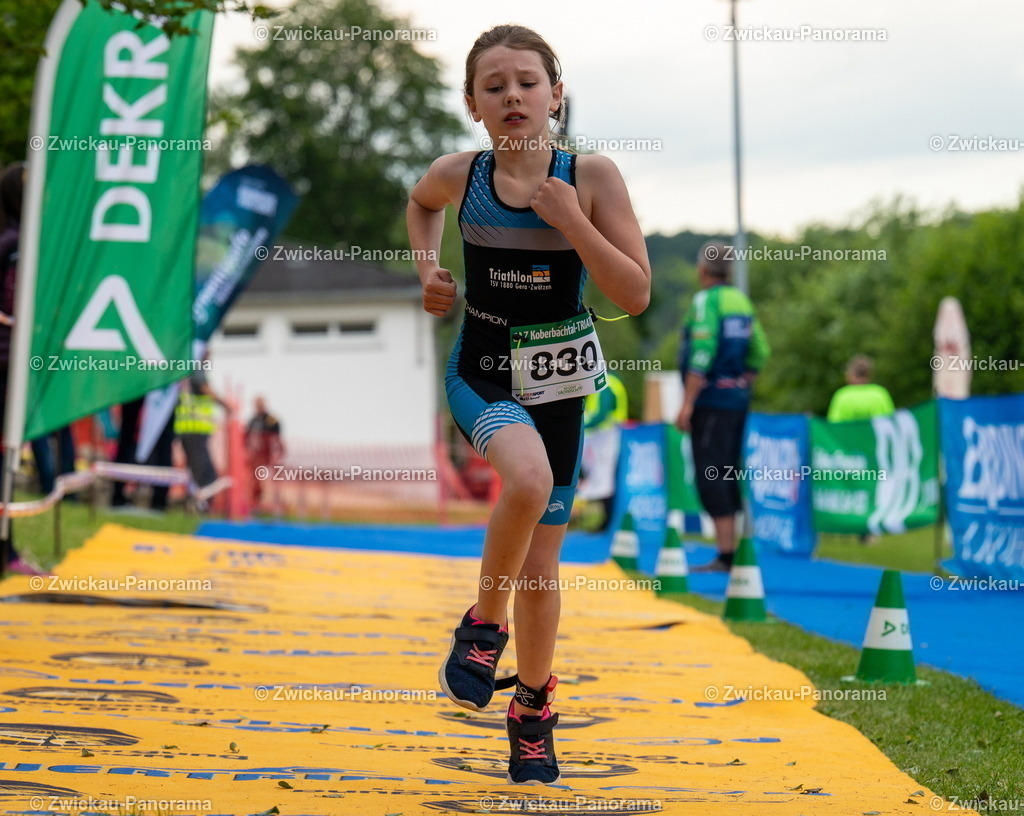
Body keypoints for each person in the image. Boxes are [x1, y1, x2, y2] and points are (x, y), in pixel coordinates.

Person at [407, 25, 650, 785]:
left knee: (543, 568)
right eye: (494, 86)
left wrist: (572, 219)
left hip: (561, 387)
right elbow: (420, 204)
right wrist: (428, 271)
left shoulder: (594, 175)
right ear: (473, 106)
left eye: (526, 82)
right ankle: (482, 627)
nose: (512, 96)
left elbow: (635, 293)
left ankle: (534, 707)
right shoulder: (462, 174)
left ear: (556, 94)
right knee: (528, 481)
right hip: (481, 370)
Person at [676, 241, 770, 573]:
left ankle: (727, 553)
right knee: (728, 468)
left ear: (703, 271)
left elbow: (701, 353)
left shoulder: (706, 301)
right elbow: (760, 349)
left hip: (711, 399)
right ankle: (730, 552)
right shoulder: (741, 300)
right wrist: (743, 379)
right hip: (737, 400)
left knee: (710, 471)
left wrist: (687, 403)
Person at [0, 161, 43, 575]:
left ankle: (7, 550)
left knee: (9, 462)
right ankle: (6, 552)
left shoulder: (25, 243)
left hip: (15, 368)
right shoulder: (11, 244)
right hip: (4, 366)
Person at [580, 370, 628, 530]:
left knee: (604, 478)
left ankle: (609, 522)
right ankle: (607, 521)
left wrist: (582, 426)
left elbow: (601, 413)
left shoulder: (604, 381)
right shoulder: (609, 380)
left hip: (605, 435)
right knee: (604, 478)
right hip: (605, 435)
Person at [174, 363, 228, 503]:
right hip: (195, 428)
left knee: (195, 465)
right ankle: (204, 496)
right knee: (201, 466)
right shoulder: (196, 369)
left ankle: (199, 497)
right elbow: (205, 388)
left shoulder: (183, 371)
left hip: (187, 427)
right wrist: (226, 404)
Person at [827, 355, 895, 422]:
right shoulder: (880, 394)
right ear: (869, 374)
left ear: (850, 374)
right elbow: (892, 421)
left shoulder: (842, 396)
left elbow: (833, 427)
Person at [246, 395, 284, 509]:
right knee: (256, 481)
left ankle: (274, 504)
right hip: (255, 456)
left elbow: (277, 437)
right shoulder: (252, 421)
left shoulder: (272, 420)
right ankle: (257, 504)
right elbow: (247, 436)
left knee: (271, 480)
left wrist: (276, 453)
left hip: (268, 456)